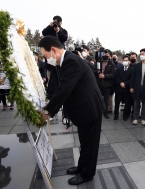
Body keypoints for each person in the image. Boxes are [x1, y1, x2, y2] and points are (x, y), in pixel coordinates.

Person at [38, 36, 105, 185]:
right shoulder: (67, 60)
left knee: (89, 145)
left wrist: (47, 112)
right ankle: (82, 166)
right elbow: (66, 88)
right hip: (84, 109)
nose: (46, 58)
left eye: (46, 55)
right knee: (84, 142)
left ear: (53, 50)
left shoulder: (71, 61)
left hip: (90, 109)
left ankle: (87, 174)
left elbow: (64, 89)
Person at [130, 48, 145, 126]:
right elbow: (133, 77)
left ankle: (143, 118)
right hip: (137, 87)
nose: (141, 55)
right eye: (140, 54)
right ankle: (135, 118)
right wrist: (131, 87)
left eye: (143, 54)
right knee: (136, 103)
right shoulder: (137, 66)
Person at [94, 49, 116, 119]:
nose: (105, 56)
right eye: (104, 54)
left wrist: (105, 76)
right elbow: (93, 70)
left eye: (107, 55)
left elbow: (113, 74)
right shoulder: (98, 63)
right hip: (99, 84)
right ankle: (99, 111)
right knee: (98, 98)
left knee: (106, 99)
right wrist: (97, 72)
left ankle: (105, 112)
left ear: (109, 56)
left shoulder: (111, 64)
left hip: (107, 85)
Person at [114, 55, 133, 121]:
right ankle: (116, 115)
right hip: (119, 88)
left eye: (126, 60)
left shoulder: (131, 70)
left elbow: (131, 79)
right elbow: (116, 77)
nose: (125, 61)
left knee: (127, 103)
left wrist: (125, 83)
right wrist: (120, 83)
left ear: (129, 61)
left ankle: (125, 115)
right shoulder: (119, 69)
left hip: (127, 89)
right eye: (124, 60)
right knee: (117, 103)